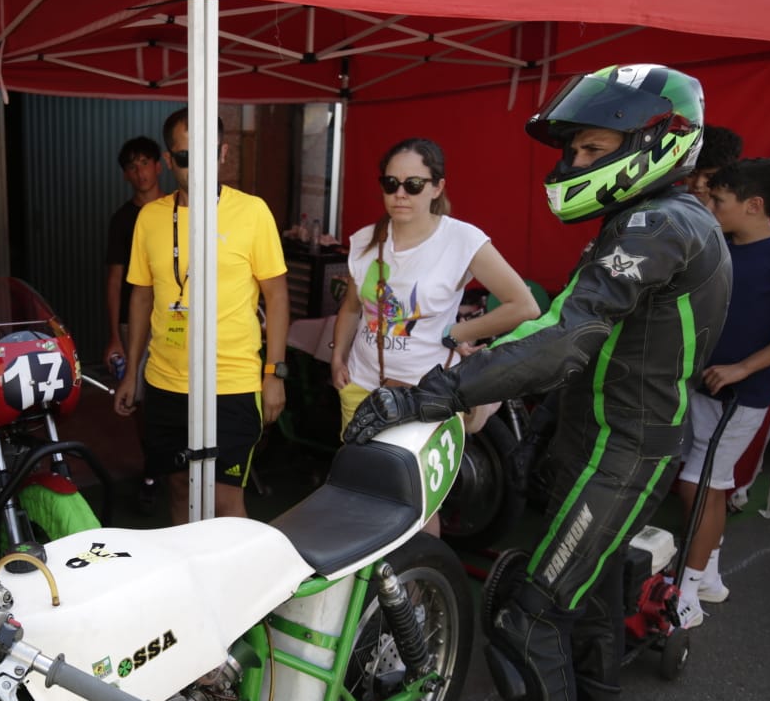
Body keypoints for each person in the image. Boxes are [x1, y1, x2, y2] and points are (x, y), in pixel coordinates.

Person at [346, 63, 731, 701]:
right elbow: (564, 326)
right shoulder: (658, 220)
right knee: (589, 607)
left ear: (654, 142)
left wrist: (430, 395)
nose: (575, 163)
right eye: (576, 149)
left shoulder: (659, 227)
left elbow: (564, 337)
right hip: (609, 442)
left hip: (622, 452)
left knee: (527, 614)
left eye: (591, 149)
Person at [113, 107, 289, 523]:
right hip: (166, 382)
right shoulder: (150, 218)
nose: (198, 166)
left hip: (232, 382)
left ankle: (237, 571)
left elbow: (277, 296)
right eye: (186, 157)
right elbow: (141, 296)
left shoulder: (252, 212)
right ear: (170, 159)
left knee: (226, 503)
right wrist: (132, 372)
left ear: (223, 153)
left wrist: (274, 373)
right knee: (179, 492)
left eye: (208, 154)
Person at [675, 157, 770, 623]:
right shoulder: (716, 246)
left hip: (744, 392)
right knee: (709, 483)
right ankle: (708, 578)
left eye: (718, 200)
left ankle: (685, 597)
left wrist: (744, 368)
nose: (709, 206)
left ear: (753, 205)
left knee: (699, 484)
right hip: (701, 383)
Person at [330, 137, 539, 440]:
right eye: (390, 183)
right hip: (362, 387)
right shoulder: (364, 240)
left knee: (412, 473)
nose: (400, 194)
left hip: (427, 395)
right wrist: (338, 357)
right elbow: (351, 307)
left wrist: (456, 333)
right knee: (359, 469)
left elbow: (524, 306)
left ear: (437, 187)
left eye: (413, 184)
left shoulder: (462, 239)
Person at [103, 135, 165, 513]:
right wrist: (115, 336)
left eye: (145, 163)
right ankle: (152, 471)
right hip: (135, 321)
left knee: (178, 395)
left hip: (177, 319)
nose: (140, 172)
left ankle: (178, 466)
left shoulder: (180, 210)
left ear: (160, 165)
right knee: (140, 398)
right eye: (132, 166)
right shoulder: (123, 219)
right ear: (126, 175)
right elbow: (115, 280)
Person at [683, 125, 743, 208]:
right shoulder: (665, 204)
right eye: (691, 174)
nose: (698, 184)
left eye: (710, 176)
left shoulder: (736, 213)